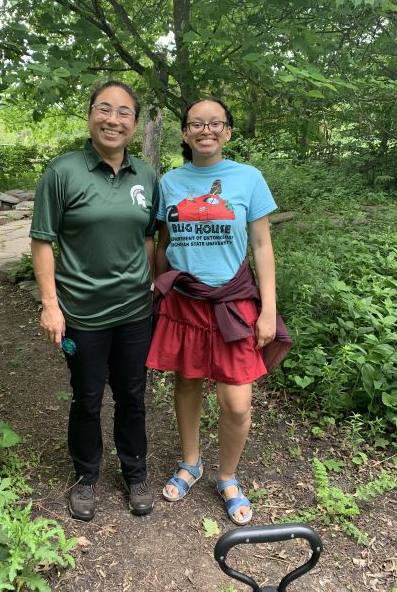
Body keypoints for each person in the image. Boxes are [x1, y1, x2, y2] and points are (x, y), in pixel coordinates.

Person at [146, 98, 291, 525]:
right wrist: (161, 286)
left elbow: (262, 246)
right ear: (186, 133)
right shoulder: (170, 182)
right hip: (186, 302)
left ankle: (227, 475)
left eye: (215, 123)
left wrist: (268, 310)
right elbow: (164, 240)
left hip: (233, 303)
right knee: (187, 385)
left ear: (227, 131)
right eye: (196, 124)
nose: (205, 130)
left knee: (237, 403)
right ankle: (191, 462)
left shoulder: (248, 178)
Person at [30, 81, 159, 521]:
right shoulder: (63, 172)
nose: (113, 119)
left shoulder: (145, 175)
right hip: (81, 312)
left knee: (132, 395)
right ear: (90, 116)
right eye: (104, 109)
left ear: (135, 124)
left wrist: (150, 282)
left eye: (124, 113)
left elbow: (146, 236)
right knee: (86, 397)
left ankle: (134, 471)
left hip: (135, 312)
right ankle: (86, 477)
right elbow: (42, 241)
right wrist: (51, 303)